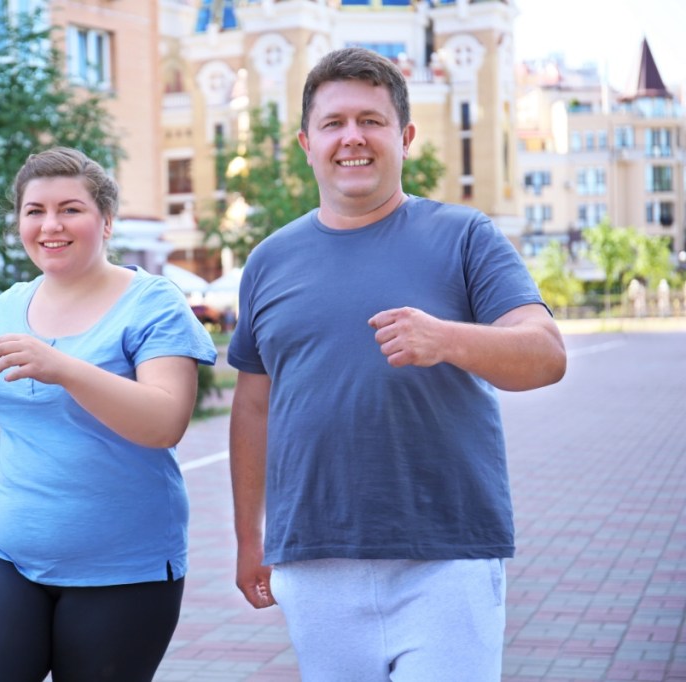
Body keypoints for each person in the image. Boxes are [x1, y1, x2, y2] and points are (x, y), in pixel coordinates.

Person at [227, 47, 567, 681]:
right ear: (307, 142)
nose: (352, 138)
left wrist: (447, 340)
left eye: (372, 121)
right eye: (333, 123)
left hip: (445, 555)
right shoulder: (269, 260)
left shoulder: (465, 235)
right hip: (314, 557)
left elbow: (546, 355)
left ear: (405, 137)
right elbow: (253, 404)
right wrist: (251, 538)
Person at [0, 147, 217, 681]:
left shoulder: (153, 303)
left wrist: (65, 368)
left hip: (123, 567)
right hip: (9, 554)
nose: (51, 225)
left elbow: (165, 422)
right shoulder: (10, 305)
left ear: (106, 220)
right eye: (35, 211)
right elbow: (6, 425)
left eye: (70, 209)